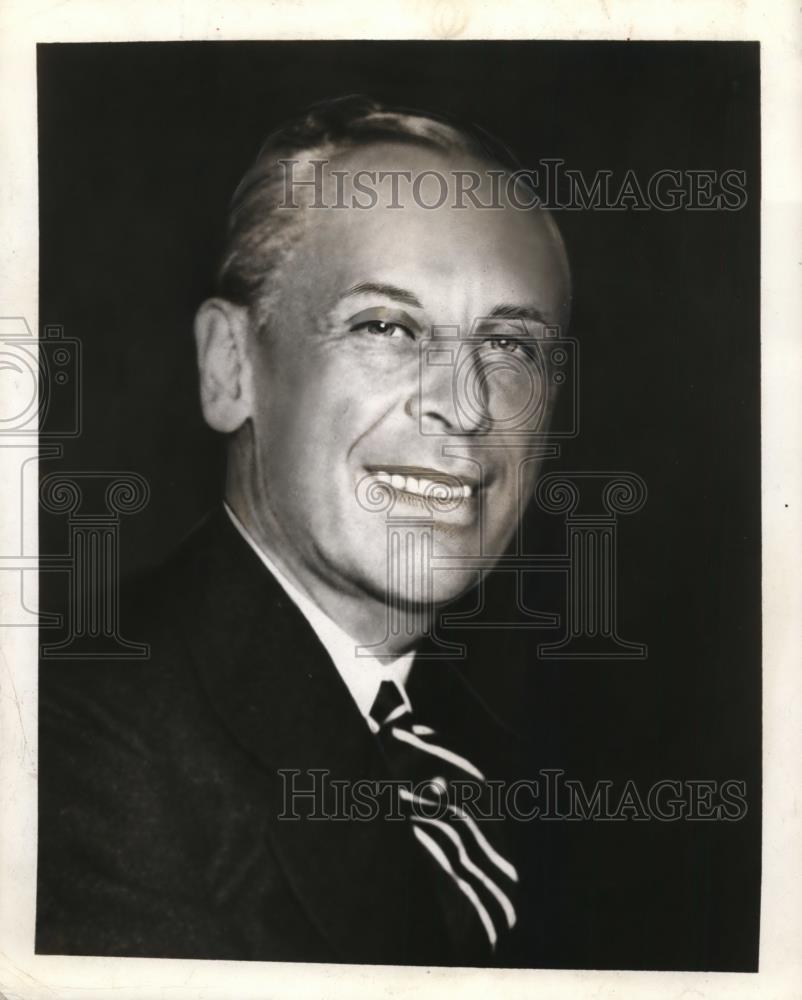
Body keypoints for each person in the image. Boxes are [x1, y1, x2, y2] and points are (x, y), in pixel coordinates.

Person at [36, 95, 571, 966]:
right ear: (230, 369)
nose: (465, 405)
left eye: (511, 346)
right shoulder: (74, 742)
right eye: (387, 327)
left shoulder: (499, 754)